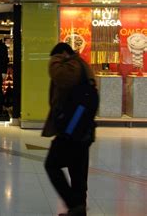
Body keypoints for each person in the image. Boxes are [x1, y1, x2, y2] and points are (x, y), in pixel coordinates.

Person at [42, 42, 96, 216]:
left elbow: (59, 76)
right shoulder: (81, 65)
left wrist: (56, 60)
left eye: (57, 56)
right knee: (78, 172)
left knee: (52, 165)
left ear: (64, 54)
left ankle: (75, 205)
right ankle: (78, 211)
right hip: (82, 128)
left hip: (72, 128)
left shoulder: (72, 66)